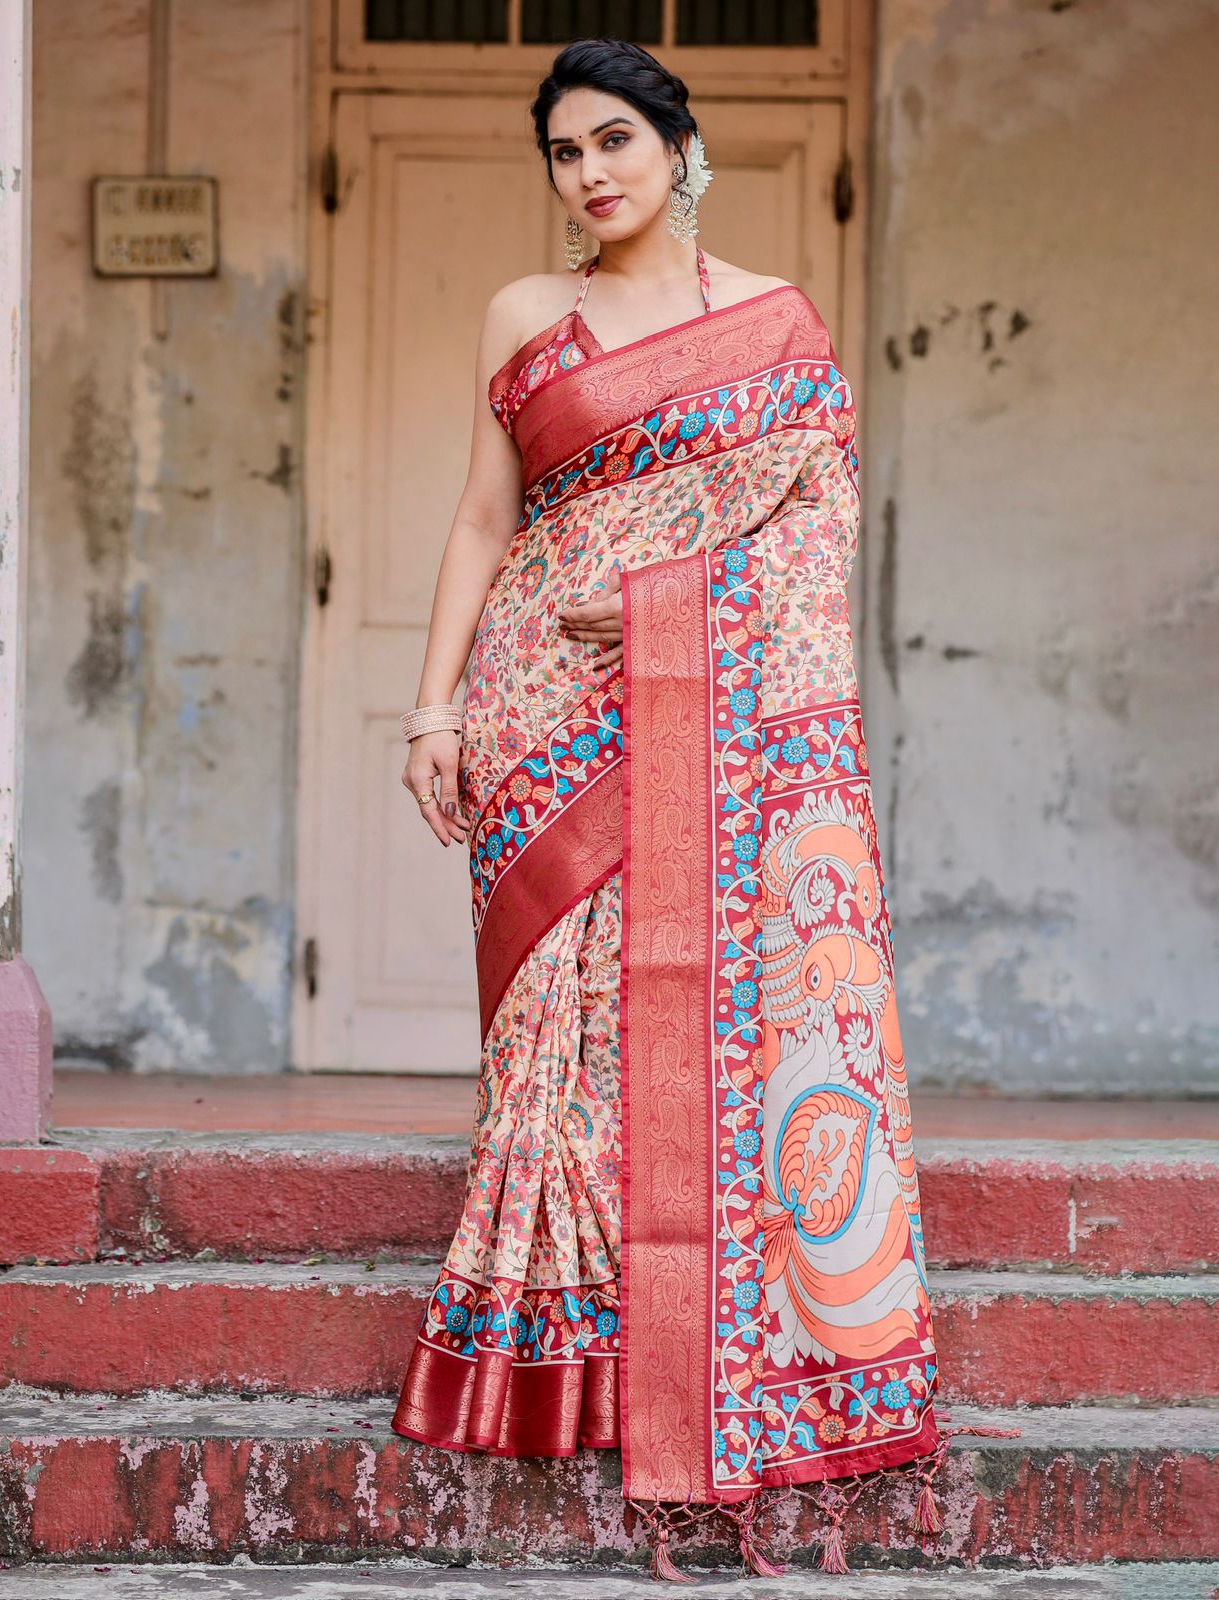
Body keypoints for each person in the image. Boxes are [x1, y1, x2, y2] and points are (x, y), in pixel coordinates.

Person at [390, 34, 942, 1578]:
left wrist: (663, 612)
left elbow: (812, 542)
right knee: (556, 1031)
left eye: (617, 139)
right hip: (537, 708)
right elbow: (483, 514)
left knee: (685, 1023)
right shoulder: (526, 314)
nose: (592, 174)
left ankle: (688, 1357)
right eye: (565, 151)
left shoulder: (775, 325)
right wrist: (433, 710)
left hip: (702, 709)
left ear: (680, 145)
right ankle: (555, 1360)